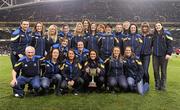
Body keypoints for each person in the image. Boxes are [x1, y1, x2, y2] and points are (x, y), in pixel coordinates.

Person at [152, 22, 173, 91]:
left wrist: (169, 53)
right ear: (155, 27)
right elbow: (151, 44)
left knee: (163, 71)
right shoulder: (153, 34)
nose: (157, 27)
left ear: (161, 26)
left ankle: (163, 86)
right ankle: (157, 85)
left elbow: (170, 44)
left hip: (164, 55)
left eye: (159, 25)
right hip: (155, 55)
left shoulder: (167, 33)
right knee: (155, 70)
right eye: (156, 26)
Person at [140, 22, 153, 90]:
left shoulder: (151, 35)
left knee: (145, 70)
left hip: (147, 55)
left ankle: (147, 84)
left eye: (146, 27)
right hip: (139, 55)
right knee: (141, 70)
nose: (144, 28)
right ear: (142, 28)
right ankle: (141, 83)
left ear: (148, 28)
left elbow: (154, 45)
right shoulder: (139, 35)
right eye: (143, 27)